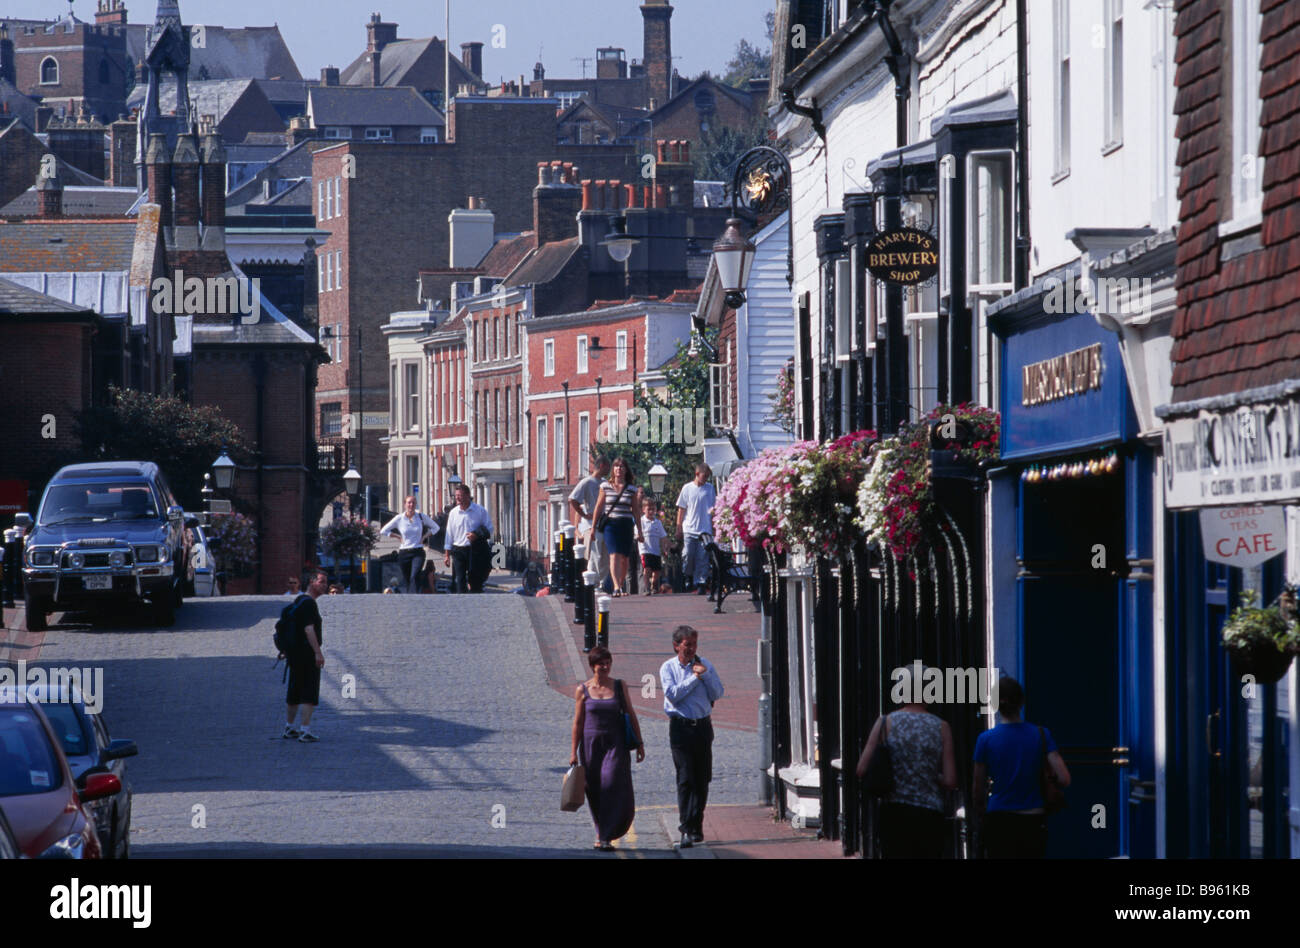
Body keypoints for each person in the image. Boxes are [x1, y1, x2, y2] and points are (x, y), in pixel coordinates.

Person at [854, 665, 957, 858]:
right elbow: (951, 781)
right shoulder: (942, 727)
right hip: (929, 815)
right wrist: (929, 774)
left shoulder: (885, 722)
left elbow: (861, 769)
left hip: (894, 813)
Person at [971, 676, 1071, 858]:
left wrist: (981, 814)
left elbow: (978, 790)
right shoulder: (1041, 734)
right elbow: (1064, 778)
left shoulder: (984, 740)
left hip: (999, 816)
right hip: (1033, 816)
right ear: (1022, 702)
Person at [569, 645, 644, 850]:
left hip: (615, 744)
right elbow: (577, 722)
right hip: (591, 745)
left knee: (610, 784)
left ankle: (607, 832)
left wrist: (639, 743)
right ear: (592, 666)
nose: (605, 666)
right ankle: (601, 833)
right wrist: (573, 752)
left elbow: (631, 713)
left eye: (608, 663)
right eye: (601, 664)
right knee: (593, 789)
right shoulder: (582, 690)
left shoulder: (619, 686)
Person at [659, 625, 724, 848]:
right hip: (680, 728)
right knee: (686, 778)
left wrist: (704, 676)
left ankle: (696, 826)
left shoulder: (705, 665)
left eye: (694, 644)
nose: (691, 649)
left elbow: (717, 693)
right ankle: (686, 828)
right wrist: (695, 679)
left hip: (703, 727)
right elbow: (673, 695)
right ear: (677, 645)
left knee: (702, 778)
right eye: (687, 645)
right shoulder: (668, 668)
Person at [279, 570, 327, 743]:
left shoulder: (299, 601)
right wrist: (317, 652)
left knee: (294, 691)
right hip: (306, 655)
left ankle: (289, 727)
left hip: (294, 654)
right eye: (321, 581)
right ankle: (305, 730)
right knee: (309, 691)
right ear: (312, 582)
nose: (325, 585)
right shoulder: (309, 604)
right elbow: (309, 629)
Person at [589, 457, 644, 597]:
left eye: (622, 467)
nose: (619, 469)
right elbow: (598, 507)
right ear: (613, 470)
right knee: (614, 555)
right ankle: (616, 586)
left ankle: (620, 583)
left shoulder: (631, 489)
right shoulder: (605, 486)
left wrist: (640, 531)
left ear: (626, 470)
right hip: (611, 525)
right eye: (616, 466)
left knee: (624, 558)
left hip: (626, 524)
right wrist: (593, 528)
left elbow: (636, 511)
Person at [380, 496, 441, 595]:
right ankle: (410, 599)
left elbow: (436, 527)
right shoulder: (399, 518)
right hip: (404, 552)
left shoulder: (421, 517)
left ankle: (415, 597)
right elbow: (384, 530)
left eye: (413, 503)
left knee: (415, 575)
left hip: (418, 551)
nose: (411, 505)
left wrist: (425, 536)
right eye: (409, 503)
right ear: (405, 504)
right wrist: (397, 537)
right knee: (408, 579)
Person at [570, 455, 612, 593]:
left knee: (605, 553)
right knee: (595, 554)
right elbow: (573, 499)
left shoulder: (605, 482)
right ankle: (593, 583)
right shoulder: (587, 482)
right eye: (607, 466)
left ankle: (603, 584)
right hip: (591, 524)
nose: (609, 469)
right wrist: (583, 514)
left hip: (605, 522)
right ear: (601, 466)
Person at [442, 483, 494, 593]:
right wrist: (447, 555)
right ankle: (462, 603)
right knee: (459, 580)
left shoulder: (479, 510)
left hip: (474, 550)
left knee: (474, 579)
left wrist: (476, 535)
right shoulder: (453, 513)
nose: (457, 498)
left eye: (460, 495)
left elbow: (489, 528)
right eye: (456, 496)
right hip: (458, 550)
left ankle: (475, 601)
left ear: (467, 495)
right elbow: (449, 534)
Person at [675, 463, 716, 595]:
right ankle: (688, 575)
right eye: (704, 476)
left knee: (703, 558)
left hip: (705, 529)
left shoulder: (710, 489)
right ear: (697, 474)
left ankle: (701, 582)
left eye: (708, 477)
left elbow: (714, 509)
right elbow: (681, 509)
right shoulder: (687, 488)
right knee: (687, 555)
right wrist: (678, 527)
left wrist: (714, 528)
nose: (706, 479)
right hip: (689, 528)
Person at [638, 498, 668, 595]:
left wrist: (664, 548)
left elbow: (663, 537)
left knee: (657, 571)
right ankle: (646, 588)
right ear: (643, 509)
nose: (651, 512)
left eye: (653, 509)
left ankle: (654, 586)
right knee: (647, 569)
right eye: (648, 509)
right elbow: (637, 534)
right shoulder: (641, 521)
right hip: (645, 550)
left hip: (656, 551)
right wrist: (639, 536)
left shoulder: (657, 522)